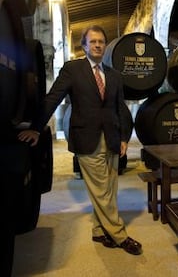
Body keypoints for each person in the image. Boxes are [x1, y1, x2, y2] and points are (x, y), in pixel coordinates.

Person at [18, 25, 142, 255]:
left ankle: (98, 230)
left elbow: (120, 108)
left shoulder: (114, 75)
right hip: (87, 138)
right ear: (84, 46)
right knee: (101, 189)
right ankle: (119, 235)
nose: (97, 45)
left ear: (105, 46)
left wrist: (125, 136)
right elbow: (53, 97)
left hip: (114, 138)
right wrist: (36, 127)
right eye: (92, 41)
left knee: (109, 189)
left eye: (101, 42)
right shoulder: (72, 70)